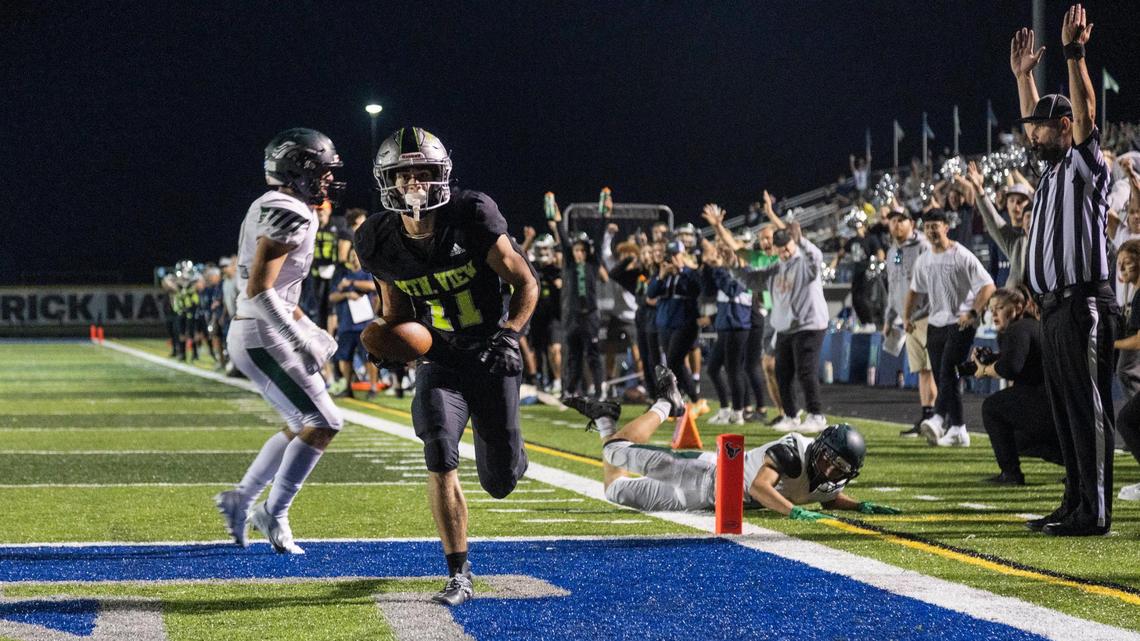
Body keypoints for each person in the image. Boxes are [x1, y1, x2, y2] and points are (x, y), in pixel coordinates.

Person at [355, 126, 537, 605]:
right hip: (440, 358)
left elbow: (527, 283)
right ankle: (459, 574)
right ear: (387, 181)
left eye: (423, 172)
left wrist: (511, 333)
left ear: (442, 175)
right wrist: (389, 345)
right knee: (439, 451)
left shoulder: (472, 215)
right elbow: (394, 312)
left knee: (499, 482)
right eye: (403, 174)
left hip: (490, 353)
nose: (414, 183)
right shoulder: (378, 238)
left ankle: (513, 454)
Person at [214, 128, 345, 556]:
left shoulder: (277, 205)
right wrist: (297, 338)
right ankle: (275, 510)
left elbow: (281, 293)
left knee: (299, 424)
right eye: (323, 171)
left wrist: (310, 330)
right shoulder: (290, 210)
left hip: (259, 328)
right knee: (323, 422)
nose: (328, 179)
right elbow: (259, 289)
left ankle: (243, 497)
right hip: (259, 332)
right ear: (299, 169)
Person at [1010, 7, 1115, 536]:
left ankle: (1094, 512)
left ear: (1065, 126)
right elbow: (1038, 127)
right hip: (1053, 308)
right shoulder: (1051, 173)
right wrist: (1023, 78)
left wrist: (1074, 56)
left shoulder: (1082, 163)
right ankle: (1074, 502)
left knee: (1087, 409)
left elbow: (1087, 115)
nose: (1032, 135)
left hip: (1082, 303)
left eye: (1043, 127)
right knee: (1065, 410)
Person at [563, 366, 899, 519]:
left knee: (615, 491)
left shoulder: (827, 476)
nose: (830, 469)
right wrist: (793, 512)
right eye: (830, 460)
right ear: (820, 449)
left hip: (702, 501)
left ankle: (606, 418)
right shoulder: (795, 449)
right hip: (701, 472)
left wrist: (859, 507)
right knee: (615, 452)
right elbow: (760, 488)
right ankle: (668, 404)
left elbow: (828, 497)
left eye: (839, 468)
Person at [907, 209, 995, 448]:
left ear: (946, 227)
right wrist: (907, 317)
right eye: (927, 227)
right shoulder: (924, 259)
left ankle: (937, 418)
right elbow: (914, 289)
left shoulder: (961, 255)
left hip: (960, 322)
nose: (932, 231)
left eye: (936, 226)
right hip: (936, 324)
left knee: (947, 370)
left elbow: (988, 285)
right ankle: (958, 429)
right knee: (943, 376)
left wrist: (973, 312)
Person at [974, 288, 1062, 484]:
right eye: (991, 309)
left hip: (1047, 406)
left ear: (1018, 308)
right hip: (1058, 408)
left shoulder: (1018, 329)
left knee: (991, 407)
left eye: (1000, 308)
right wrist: (990, 359)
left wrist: (985, 370)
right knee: (1015, 439)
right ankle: (1077, 469)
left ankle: (1011, 474)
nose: (994, 314)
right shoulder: (1030, 326)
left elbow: (1011, 367)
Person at [770, 226, 829, 433]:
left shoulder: (804, 261)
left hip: (810, 324)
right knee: (782, 373)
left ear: (793, 244)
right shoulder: (777, 266)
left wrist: (802, 240)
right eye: (781, 249)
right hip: (787, 326)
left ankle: (816, 414)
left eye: (788, 247)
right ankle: (791, 414)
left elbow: (816, 257)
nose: (785, 252)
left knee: (806, 371)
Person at [883, 209, 936, 437]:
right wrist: (889, 318)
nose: (896, 225)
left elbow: (932, 286)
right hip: (907, 320)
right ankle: (926, 417)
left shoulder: (923, 246)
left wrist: (917, 315)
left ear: (911, 223)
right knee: (922, 370)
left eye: (901, 220)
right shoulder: (892, 250)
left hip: (925, 316)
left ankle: (938, 418)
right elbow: (893, 287)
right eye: (893, 221)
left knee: (932, 369)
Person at [548, 207, 607, 399]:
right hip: (572, 317)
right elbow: (564, 242)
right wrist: (558, 221)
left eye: (582, 250)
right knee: (573, 355)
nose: (579, 253)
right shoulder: (569, 265)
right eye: (576, 249)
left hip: (589, 315)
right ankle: (570, 390)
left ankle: (599, 391)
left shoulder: (592, 264)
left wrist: (605, 216)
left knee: (593, 355)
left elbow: (598, 239)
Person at [963, 162, 1034, 290]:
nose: (1016, 206)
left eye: (1020, 201)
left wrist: (1014, 172)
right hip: (1014, 303)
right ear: (1023, 223)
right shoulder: (1017, 242)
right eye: (1027, 217)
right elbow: (993, 221)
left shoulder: (1047, 241)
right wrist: (979, 190)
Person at [647, 240, 702, 401]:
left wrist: (682, 269)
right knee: (672, 363)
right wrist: (661, 276)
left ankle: (694, 397)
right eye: (670, 255)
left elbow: (697, 288)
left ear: (683, 255)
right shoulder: (664, 273)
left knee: (674, 360)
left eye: (676, 255)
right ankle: (680, 397)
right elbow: (650, 293)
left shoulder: (690, 272)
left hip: (683, 323)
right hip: (665, 323)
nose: (673, 259)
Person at [328, 250, 378, 399]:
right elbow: (332, 296)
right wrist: (347, 294)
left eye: (356, 256)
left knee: (369, 357)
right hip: (346, 323)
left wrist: (352, 284)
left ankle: (373, 386)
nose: (354, 259)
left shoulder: (366, 272)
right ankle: (348, 387)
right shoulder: (341, 273)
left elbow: (373, 286)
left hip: (364, 323)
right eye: (352, 256)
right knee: (344, 357)